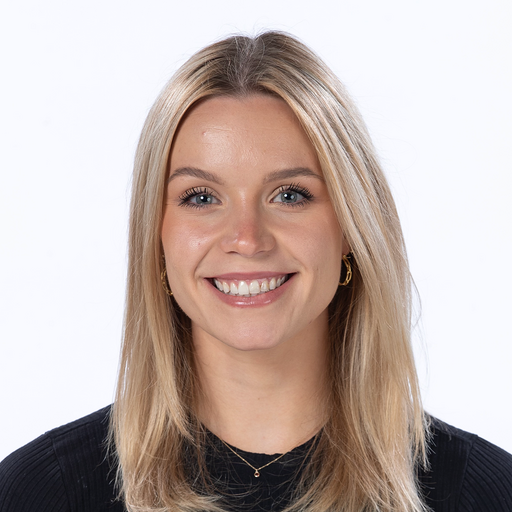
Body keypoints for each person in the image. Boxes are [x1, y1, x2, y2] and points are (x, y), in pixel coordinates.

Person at [1, 31, 511, 512]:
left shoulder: (480, 494)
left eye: (290, 195)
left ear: (351, 228)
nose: (246, 238)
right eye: (201, 197)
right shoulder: (43, 493)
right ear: (157, 238)